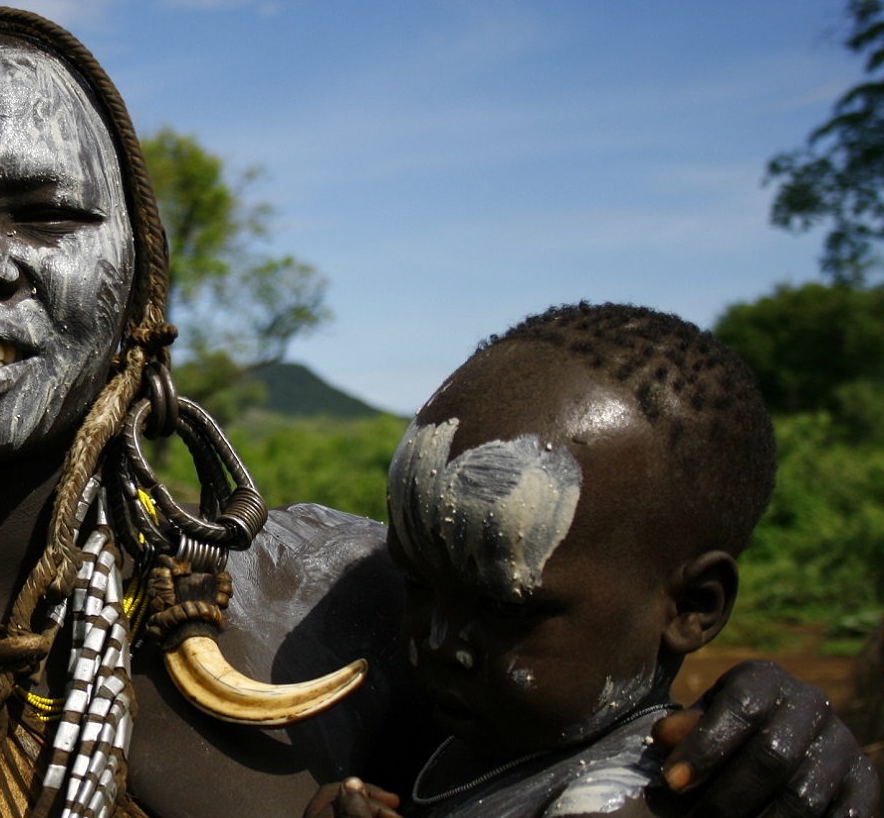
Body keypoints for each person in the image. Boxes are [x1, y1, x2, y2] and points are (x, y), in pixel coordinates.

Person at [0, 9, 879, 818]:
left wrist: (777, 734)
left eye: (44, 214)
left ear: (138, 293)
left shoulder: (334, 623)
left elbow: (594, 699)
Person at [306, 303, 880, 817]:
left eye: (503, 606)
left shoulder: (619, 797)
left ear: (691, 607)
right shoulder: (481, 743)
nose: (436, 641)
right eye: (415, 580)